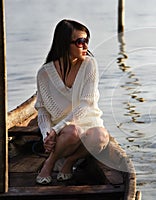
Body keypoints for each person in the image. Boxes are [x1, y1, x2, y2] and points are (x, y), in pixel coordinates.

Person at [35, 19, 109, 185]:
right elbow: (42, 110)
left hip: (88, 123)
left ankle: (67, 162)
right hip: (64, 134)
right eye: (80, 42)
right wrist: (47, 133)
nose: (85, 46)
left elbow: (85, 103)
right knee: (73, 131)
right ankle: (52, 161)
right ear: (64, 44)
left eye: (86, 41)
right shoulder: (44, 74)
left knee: (102, 136)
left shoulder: (90, 65)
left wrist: (55, 129)